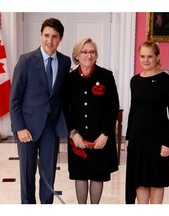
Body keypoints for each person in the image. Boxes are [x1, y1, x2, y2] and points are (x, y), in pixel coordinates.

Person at [10, 18, 71, 204]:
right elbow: (14, 99)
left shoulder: (65, 62)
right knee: (27, 175)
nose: (49, 41)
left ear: (60, 39)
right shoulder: (26, 61)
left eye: (54, 36)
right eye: (46, 35)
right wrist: (19, 128)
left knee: (48, 176)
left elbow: (62, 96)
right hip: (27, 129)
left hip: (51, 129)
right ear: (41, 35)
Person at [62, 38, 119, 204]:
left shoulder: (106, 76)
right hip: (78, 137)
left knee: (97, 174)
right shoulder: (69, 79)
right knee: (80, 174)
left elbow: (113, 108)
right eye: (85, 52)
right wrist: (73, 133)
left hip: (100, 137)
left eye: (92, 52)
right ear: (77, 55)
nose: (89, 55)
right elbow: (64, 109)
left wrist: (105, 134)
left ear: (96, 55)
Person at [125, 41, 169, 204]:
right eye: (142, 56)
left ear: (157, 57)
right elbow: (133, 110)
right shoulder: (134, 80)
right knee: (140, 182)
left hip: (158, 141)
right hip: (137, 139)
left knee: (156, 182)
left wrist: (168, 143)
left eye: (150, 56)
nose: (146, 60)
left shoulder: (167, 81)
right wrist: (128, 137)